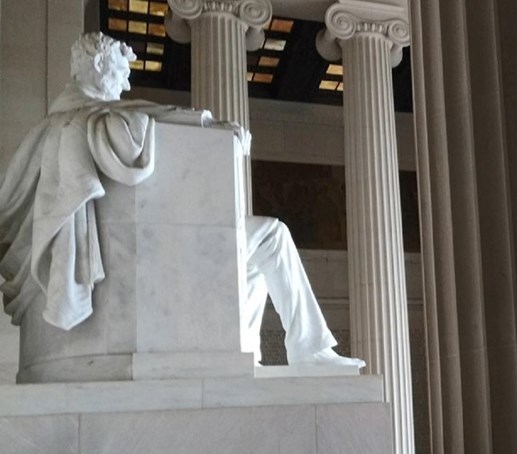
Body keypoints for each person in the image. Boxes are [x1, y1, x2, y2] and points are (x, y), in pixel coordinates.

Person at [0, 32, 364, 368]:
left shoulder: (81, 121)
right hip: (147, 249)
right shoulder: (82, 121)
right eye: (120, 72)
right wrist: (204, 123)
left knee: (256, 251)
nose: (126, 84)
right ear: (97, 66)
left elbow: (135, 116)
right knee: (271, 236)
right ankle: (306, 349)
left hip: (154, 242)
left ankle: (246, 355)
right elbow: (134, 120)